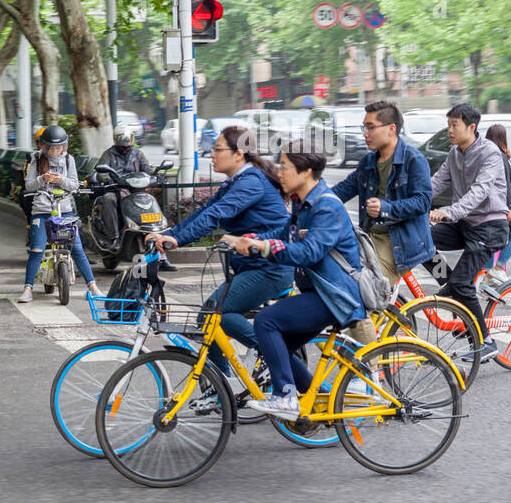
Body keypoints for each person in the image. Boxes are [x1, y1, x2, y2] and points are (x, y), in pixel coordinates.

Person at [224, 148, 365, 420]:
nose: (279, 172)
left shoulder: (327, 206)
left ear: (306, 172)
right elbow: (283, 232)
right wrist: (247, 238)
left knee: (266, 321)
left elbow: (308, 251)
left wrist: (264, 247)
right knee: (276, 347)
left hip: (336, 296)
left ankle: (286, 396)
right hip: (320, 293)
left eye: (285, 167)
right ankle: (318, 400)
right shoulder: (304, 203)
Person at [146, 125, 292, 381]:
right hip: (253, 267)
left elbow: (216, 215)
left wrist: (177, 240)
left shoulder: (251, 182)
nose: (212, 155)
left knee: (214, 314)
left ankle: (263, 359)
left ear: (238, 154)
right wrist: (169, 234)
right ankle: (222, 386)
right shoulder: (236, 182)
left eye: (217, 149)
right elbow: (205, 212)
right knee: (211, 316)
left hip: (271, 268)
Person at [332, 100, 433, 343]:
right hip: (369, 239)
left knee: (357, 296)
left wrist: (387, 208)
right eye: (363, 127)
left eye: (370, 127)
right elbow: (343, 190)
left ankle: (368, 370)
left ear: (391, 128)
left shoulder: (412, 160)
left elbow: (423, 201)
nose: (365, 133)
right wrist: (309, 199)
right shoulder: (368, 162)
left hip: (400, 243)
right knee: (335, 282)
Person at [424, 104, 510, 362]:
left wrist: (448, 211)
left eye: (454, 125)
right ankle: (449, 286)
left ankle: (487, 341)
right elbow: (437, 182)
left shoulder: (490, 153)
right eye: (448, 124)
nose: (449, 130)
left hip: (490, 226)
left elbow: (480, 192)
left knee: (463, 284)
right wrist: (412, 202)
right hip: (464, 224)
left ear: (471, 127)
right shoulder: (454, 153)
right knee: (420, 240)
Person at [20, 124, 101, 303]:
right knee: (37, 249)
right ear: (44, 146)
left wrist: (60, 180)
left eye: (59, 147)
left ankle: (93, 286)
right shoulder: (36, 159)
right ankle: (27, 288)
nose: (55, 150)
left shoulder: (68, 160)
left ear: (64, 146)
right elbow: (29, 185)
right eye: (52, 147)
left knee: (77, 248)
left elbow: (74, 184)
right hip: (41, 210)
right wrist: (43, 179)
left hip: (64, 211)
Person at [93, 126, 175, 270]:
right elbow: (101, 170)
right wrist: (106, 179)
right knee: (108, 199)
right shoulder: (109, 154)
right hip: (117, 189)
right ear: (116, 139)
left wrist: (156, 176)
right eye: (122, 139)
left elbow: (147, 170)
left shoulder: (137, 153)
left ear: (132, 139)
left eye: (127, 139)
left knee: (149, 207)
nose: (125, 142)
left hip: (136, 190)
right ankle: (114, 238)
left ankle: (163, 257)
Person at [484, 124, 511, 273]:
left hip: (485, 204)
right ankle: (497, 269)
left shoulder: (485, 155)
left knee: (491, 239)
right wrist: (510, 207)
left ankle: (486, 271)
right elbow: (506, 184)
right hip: (500, 204)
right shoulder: (500, 157)